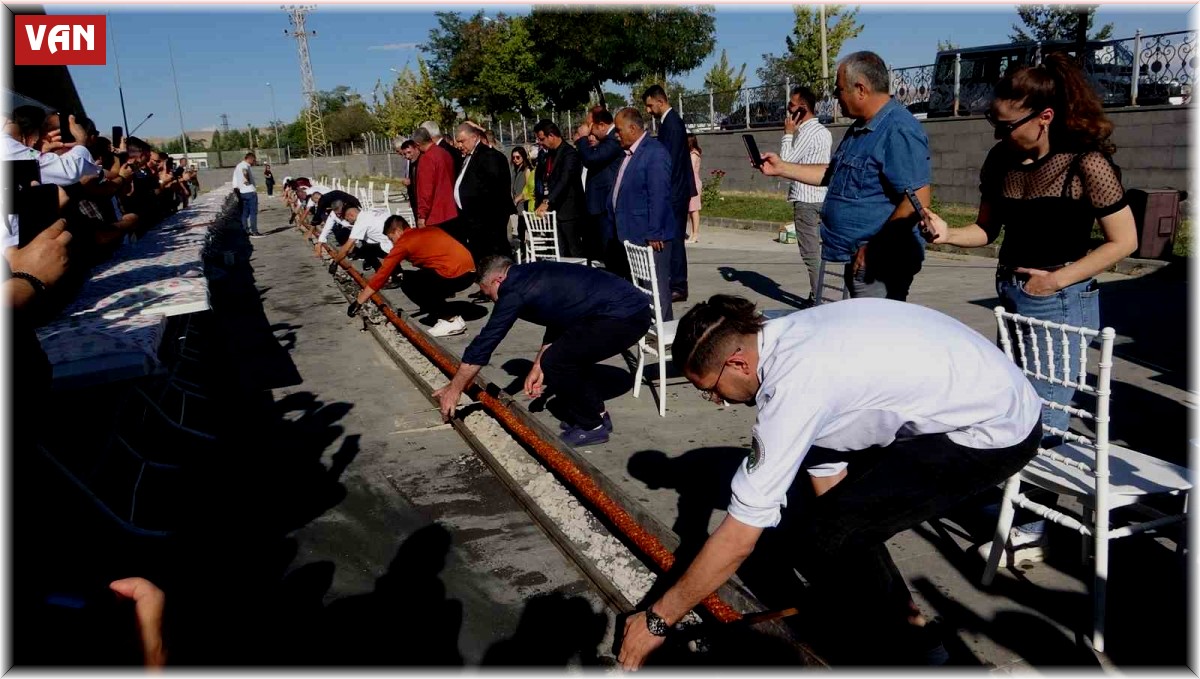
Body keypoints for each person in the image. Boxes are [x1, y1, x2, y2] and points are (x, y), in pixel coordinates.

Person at [617, 294, 1043, 669]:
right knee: (834, 526)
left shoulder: (794, 386)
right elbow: (827, 467)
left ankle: (918, 651)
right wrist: (841, 531)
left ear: (737, 362)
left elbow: (739, 537)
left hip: (994, 430)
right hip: (976, 392)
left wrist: (658, 619)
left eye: (709, 388)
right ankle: (899, 618)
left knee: (828, 535)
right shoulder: (782, 333)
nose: (715, 401)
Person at [922, 52, 1136, 481]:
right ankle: (1012, 499)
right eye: (994, 124)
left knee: (1048, 408)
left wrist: (1056, 280)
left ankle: (1035, 518)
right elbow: (986, 230)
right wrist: (947, 235)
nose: (998, 133)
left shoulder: (1085, 163)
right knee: (1012, 404)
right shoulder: (1000, 162)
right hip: (1010, 294)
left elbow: (1124, 241)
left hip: (1060, 299)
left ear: (1045, 117)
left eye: (1006, 125)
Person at [756, 52, 931, 301]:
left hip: (881, 263)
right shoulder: (860, 128)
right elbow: (833, 174)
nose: (836, 98)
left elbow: (918, 200)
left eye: (839, 90)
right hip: (859, 256)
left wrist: (875, 248)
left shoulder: (898, 129)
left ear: (860, 89)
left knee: (874, 332)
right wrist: (782, 167)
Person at [432, 256, 652, 447]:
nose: (491, 300)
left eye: (488, 293)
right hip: (622, 309)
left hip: (625, 317)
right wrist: (537, 364)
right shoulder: (529, 274)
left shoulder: (513, 291)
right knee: (560, 357)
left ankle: (592, 426)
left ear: (498, 280)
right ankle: (598, 415)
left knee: (558, 362)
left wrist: (455, 389)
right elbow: (558, 317)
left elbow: (487, 341)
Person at [346, 215, 476, 337]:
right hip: (470, 272)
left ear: (397, 231)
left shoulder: (404, 242)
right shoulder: (426, 231)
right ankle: (440, 309)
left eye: (391, 239)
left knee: (408, 280)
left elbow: (382, 274)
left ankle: (450, 320)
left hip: (455, 275)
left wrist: (358, 302)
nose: (392, 244)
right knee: (422, 276)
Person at [608, 107, 675, 318]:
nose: (616, 134)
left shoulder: (654, 153)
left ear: (633, 128)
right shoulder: (629, 153)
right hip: (631, 233)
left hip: (650, 236)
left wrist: (655, 231)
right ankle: (651, 327)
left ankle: (662, 334)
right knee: (642, 289)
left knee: (656, 289)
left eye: (619, 130)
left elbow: (659, 194)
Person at [643, 84, 697, 302]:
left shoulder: (672, 123)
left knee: (674, 240)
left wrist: (663, 191)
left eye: (649, 106)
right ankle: (674, 282)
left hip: (675, 192)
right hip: (675, 190)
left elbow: (670, 162)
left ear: (660, 101)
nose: (648, 111)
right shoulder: (668, 122)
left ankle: (678, 285)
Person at [780, 85, 832, 301]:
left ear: (801, 108)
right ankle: (819, 293)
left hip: (805, 199)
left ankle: (818, 296)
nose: (788, 110)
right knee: (823, 253)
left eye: (791, 106)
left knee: (811, 253)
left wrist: (788, 135)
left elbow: (786, 163)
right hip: (823, 197)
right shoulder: (824, 132)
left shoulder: (806, 132)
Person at [452, 123, 515, 262]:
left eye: (462, 141)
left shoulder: (488, 156)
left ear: (474, 137)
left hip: (487, 218)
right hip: (473, 218)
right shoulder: (468, 157)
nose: (459, 145)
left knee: (495, 252)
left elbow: (493, 189)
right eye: (458, 142)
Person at [575, 106, 624, 266]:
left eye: (591, 127)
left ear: (602, 125)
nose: (590, 133)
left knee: (609, 252)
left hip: (605, 205)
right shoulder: (605, 141)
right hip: (596, 206)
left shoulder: (613, 141)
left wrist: (582, 139)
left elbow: (591, 159)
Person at [532, 120, 587, 258]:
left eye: (542, 138)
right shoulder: (549, 154)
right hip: (555, 211)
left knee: (574, 250)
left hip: (569, 211)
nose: (540, 142)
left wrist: (547, 201)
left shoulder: (569, 154)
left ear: (551, 135)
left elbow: (564, 180)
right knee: (559, 251)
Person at [411, 127, 461, 241]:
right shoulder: (444, 153)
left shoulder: (426, 158)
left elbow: (426, 190)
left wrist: (422, 215)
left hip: (435, 214)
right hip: (451, 209)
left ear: (418, 144)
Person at [327, 204, 393, 273]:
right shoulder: (372, 212)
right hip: (399, 239)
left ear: (351, 215)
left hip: (391, 247)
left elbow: (347, 248)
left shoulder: (360, 222)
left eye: (347, 219)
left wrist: (335, 262)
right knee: (369, 243)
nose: (348, 222)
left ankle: (380, 272)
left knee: (365, 249)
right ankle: (397, 273)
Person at [509, 145, 535, 251]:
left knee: (526, 228)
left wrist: (519, 198)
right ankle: (523, 250)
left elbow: (530, 188)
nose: (515, 160)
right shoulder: (516, 170)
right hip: (518, 205)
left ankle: (526, 251)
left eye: (518, 157)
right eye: (513, 157)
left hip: (525, 204)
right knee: (520, 229)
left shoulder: (527, 170)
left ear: (523, 157)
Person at [232, 152, 261, 238]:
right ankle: (254, 231)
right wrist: (246, 179)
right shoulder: (245, 166)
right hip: (250, 192)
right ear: (250, 159)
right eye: (253, 160)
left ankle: (245, 231)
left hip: (242, 192)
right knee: (253, 213)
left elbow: (235, 180)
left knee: (244, 213)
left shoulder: (238, 166)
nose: (253, 162)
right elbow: (245, 172)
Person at [685, 133, 702, 244]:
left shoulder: (693, 154)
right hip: (691, 182)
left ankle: (695, 234)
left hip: (694, 183)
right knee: (690, 210)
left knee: (694, 210)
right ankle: (692, 234)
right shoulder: (691, 153)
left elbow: (689, 168)